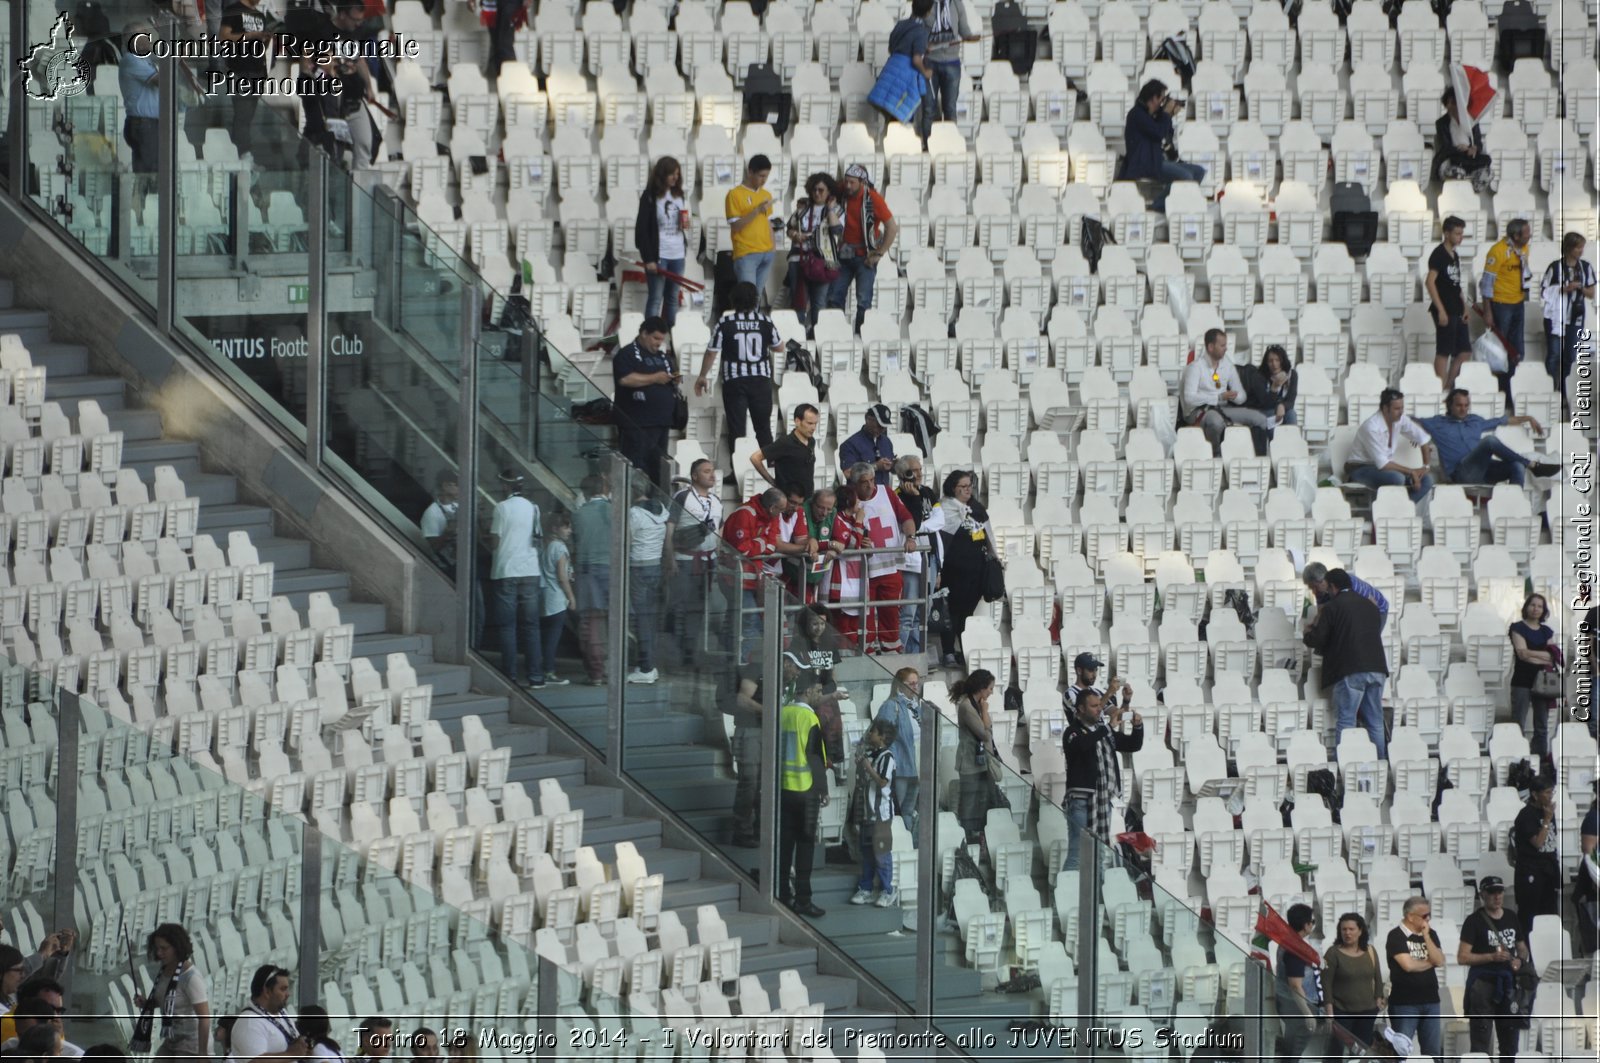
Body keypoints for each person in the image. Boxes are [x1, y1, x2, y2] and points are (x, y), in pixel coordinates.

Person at [1303, 569, 1390, 757]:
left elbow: (1318, 639)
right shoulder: (1370, 605)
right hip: (1378, 668)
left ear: (1332, 587)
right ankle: (1381, 764)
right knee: (1375, 721)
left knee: (1346, 720)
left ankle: (1344, 763)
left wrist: (1307, 633)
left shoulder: (1332, 607)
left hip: (1352, 669)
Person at [697, 282, 783, 461]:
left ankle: (738, 469)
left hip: (734, 381)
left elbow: (712, 351)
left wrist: (703, 376)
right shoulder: (764, 321)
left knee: (736, 428)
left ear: (733, 300)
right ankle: (770, 465)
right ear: (755, 300)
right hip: (760, 380)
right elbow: (779, 347)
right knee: (763, 427)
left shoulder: (725, 322)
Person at [1062, 686, 1143, 871]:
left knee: (1098, 855)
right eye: (1094, 706)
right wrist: (1107, 728)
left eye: (1100, 705)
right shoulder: (1072, 732)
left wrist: (1138, 727)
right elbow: (1083, 745)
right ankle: (1064, 896)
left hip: (1102, 800)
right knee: (1077, 854)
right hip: (1081, 802)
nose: (1099, 709)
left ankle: (1095, 897)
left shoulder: (1103, 731)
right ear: (1081, 709)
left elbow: (1133, 745)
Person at [845, 461, 917, 654]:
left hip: (891, 567)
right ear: (854, 484)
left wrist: (911, 538)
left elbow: (906, 517)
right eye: (864, 482)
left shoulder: (887, 492)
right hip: (863, 570)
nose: (870, 486)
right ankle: (866, 651)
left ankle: (891, 650)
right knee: (865, 613)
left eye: (871, 480)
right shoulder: (848, 500)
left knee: (891, 612)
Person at [1415, 389, 1557, 487]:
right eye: (1458, 405)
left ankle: (1514, 503)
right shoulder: (1438, 423)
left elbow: (1503, 421)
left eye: (1466, 405)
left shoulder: (1475, 420)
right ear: (1449, 405)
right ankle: (1532, 465)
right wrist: (1416, 434)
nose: (1463, 409)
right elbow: (1411, 421)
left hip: (1485, 470)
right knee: (1489, 441)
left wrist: (1528, 418)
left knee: (1516, 466)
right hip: (1461, 474)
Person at [777, 661, 831, 917]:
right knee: (805, 846)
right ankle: (803, 899)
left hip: (783, 789)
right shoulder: (809, 717)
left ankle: (781, 894)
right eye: (818, 692)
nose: (820, 696)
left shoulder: (783, 712)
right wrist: (823, 790)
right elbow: (815, 758)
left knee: (784, 844)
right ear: (808, 691)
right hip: (806, 791)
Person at [1458, 876, 1529, 1063]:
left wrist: (1520, 961)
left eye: (1500, 892)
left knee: (1510, 1040)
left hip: (1508, 983)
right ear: (1482, 894)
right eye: (1492, 893)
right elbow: (1462, 957)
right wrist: (1491, 957)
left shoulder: (1511, 917)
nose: (1497, 897)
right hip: (1483, 984)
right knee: (1481, 1040)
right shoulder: (1474, 921)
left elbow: (1522, 946)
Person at [488, 469, 545, 689]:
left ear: (505, 486)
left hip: (507, 570)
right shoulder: (534, 508)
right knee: (531, 626)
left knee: (507, 627)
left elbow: (495, 542)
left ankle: (510, 676)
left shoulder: (501, 508)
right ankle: (536, 677)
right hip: (530, 570)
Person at [932, 470, 992, 669]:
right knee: (950, 614)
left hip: (974, 574)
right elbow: (941, 542)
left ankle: (965, 651)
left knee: (966, 615)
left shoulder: (975, 508)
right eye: (964, 487)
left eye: (970, 486)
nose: (968, 490)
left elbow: (987, 535)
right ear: (953, 488)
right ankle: (948, 651)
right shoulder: (945, 509)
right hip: (952, 572)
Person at [722, 487, 790, 661]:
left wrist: (758, 543)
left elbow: (771, 545)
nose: (782, 514)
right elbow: (742, 549)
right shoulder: (744, 514)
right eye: (780, 510)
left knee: (739, 620)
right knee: (750, 619)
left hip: (753, 578)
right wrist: (762, 543)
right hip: (733, 578)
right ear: (772, 507)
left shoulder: (772, 516)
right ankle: (739, 662)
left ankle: (732, 659)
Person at [665, 459, 723, 659]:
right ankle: (677, 647)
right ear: (695, 476)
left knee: (699, 605)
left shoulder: (716, 500)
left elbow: (720, 532)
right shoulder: (682, 496)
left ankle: (689, 647)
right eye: (706, 471)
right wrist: (670, 558)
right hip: (684, 558)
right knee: (680, 604)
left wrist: (720, 557)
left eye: (713, 471)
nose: (712, 475)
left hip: (709, 559)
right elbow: (670, 527)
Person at [829, 164, 899, 332]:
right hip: (844, 253)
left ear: (862, 182)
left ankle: (860, 337)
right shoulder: (841, 191)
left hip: (865, 256)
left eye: (852, 182)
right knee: (834, 297)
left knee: (863, 301)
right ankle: (835, 333)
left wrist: (880, 253)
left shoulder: (873, 199)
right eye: (846, 181)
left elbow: (892, 227)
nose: (847, 186)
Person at [1179, 329, 1270, 454]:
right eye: (1222, 345)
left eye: (1226, 345)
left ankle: (1260, 458)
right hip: (1198, 412)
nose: (1226, 348)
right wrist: (1218, 397)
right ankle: (1215, 455)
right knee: (1216, 421)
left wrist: (1234, 396)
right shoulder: (1195, 368)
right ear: (1211, 347)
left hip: (1223, 408)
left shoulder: (1227, 365)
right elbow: (1189, 398)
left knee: (1260, 419)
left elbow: (1241, 396)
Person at [611, 318, 678, 488]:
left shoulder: (663, 357)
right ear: (644, 334)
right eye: (655, 338)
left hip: (661, 423)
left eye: (662, 339)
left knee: (658, 469)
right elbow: (625, 379)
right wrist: (655, 378)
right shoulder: (626, 354)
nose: (659, 343)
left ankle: (656, 508)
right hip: (637, 424)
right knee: (638, 469)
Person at [1121, 79, 1205, 212]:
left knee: (1198, 171)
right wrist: (1165, 114)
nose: (1162, 102)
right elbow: (1158, 133)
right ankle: (1158, 205)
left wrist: (1168, 115)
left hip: (1156, 160)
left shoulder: (1152, 115)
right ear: (1154, 98)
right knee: (1186, 177)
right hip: (1144, 164)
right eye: (1162, 98)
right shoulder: (1136, 114)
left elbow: (1167, 137)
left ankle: (1176, 203)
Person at [1345, 388, 1436, 504]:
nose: (1401, 412)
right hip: (1360, 469)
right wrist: (1412, 472)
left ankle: (1403, 510)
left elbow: (1423, 438)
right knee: (1397, 478)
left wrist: (1425, 467)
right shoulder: (1371, 427)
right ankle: (1394, 510)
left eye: (1402, 408)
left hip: (1384, 468)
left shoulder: (1400, 419)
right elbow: (1383, 464)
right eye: (1397, 409)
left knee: (1427, 479)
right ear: (1385, 408)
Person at [133, 924, 208, 1060]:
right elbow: (166, 1000)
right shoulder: (165, 970)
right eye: (157, 948)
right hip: (171, 1041)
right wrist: (146, 1003)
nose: (159, 953)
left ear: (177, 947)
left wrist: (203, 1054)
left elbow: (204, 1018)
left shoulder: (191, 977)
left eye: (164, 948)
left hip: (192, 1046)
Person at [1385, 897, 1444, 1061]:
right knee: (1403, 1052)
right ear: (1410, 916)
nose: (1428, 919)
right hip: (1405, 1003)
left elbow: (1439, 960)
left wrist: (1426, 935)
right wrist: (1430, 962)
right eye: (1425, 916)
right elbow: (1408, 966)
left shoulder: (1431, 934)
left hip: (1431, 1001)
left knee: (1433, 1052)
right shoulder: (1396, 935)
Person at [893, 454, 942, 656]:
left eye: (920, 469)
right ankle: (901, 652)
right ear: (904, 473)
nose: (920, 474)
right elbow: (907, 524)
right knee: (908, 611)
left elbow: (940, 521)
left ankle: (915, 653)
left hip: (929, 556)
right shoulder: (896, 495)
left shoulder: (928, 492)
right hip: (910, 560)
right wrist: (912, 500)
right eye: (915, 470)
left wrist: (919, 528)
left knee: (923, 611)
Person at [849, 718, 900, 907]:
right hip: (865, 813)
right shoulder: (871, 754)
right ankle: (866, 888)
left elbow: (882, 782)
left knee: (881, 853)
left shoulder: (888, 757)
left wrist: (868, 768)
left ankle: (888, 890)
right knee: (867, 852)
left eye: (873, 731)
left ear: (883, 736)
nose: (870, 733)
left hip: (881, 815)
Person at [1541, 231, 1596, 401]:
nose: (1581, 251)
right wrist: (1563, 289)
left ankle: (1565, 391)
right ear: (1569, 248)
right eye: (1578, 247)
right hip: (1555, 317)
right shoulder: (1555, 267)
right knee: (1553, 355)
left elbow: (1591, 293)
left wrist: (1579, 288)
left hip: (1575, 316)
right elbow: (1544, 291)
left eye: (1582, 247)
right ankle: (1550, 388)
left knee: (1570, 356)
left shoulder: (1586, 267)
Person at [624, 478, 669, 685]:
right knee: (649, 618)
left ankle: (645, 667)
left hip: (638, 567)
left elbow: (626, 541)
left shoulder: (634, 513)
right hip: (656, 565)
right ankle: (650, 664)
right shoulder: (661, 508)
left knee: (641, 618)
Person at [786, 173, 844, 333]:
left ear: (829, 191)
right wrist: (795, 235)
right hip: (799, 259)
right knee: (798, 301)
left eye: (821, 190)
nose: (817, 193)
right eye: (814, 190)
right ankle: (797, 337)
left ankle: (817, 337)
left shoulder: (837, 210)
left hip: (823, 261)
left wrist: (831, 208)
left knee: (819, 302)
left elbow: (836, 230)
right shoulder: (803, 209)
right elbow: (789, 228)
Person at [636, 157, 689, 327]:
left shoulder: (679, 195)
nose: (675, 178)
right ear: (662, 174)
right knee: (656, 298)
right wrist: (648, 259)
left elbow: (682, 219)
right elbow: (641, 230)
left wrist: (685, 224)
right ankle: (649, 336)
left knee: (673, 298)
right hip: (660, 255)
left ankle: (672, 337)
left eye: (677, 174)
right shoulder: (650, 196)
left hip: (678, 253)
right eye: (671, 174)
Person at [571, 474, 612, 686]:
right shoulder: (616, 512)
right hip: (612, 570)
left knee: (591, 623)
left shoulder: (578, 515)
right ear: (605, 488)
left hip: (587, 571)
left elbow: (574, 543)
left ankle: (596, 671)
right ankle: (611, 668)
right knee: (613, 621)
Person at [1322, 912, 1385, 1049]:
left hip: (1367, 1011)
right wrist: (1329, 1010)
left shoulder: (1370, 951)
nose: (1347, 933)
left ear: (1360, 931)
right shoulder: (1333, 953)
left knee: (1362, 1050)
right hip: (1342, 1011)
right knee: (1336, 1049)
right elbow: (1326, 983)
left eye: (1351, 929)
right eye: (1344, 929)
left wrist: (1378, 998)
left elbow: (1377, 976)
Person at [218, 0, 272, 159]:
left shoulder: (260, 15)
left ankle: (243, 153)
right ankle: (242, 153)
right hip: (239, 71)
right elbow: (224, 37)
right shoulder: (233, 9)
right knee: (242, 115)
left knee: (248, 117)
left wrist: (266, 39)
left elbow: (262, 46)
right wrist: (252, 35)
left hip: (257, 71)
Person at [953, 670, 1001, 847]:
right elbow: (984, 734)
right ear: (981, 688)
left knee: (986, 800)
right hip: (970, 763)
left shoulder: (974, 704)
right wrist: (985, 712)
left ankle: (981, 837)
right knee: (970, 803)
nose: (991, 693)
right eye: (990, 688)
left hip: (981, 763)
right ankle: (968, 839)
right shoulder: (967, 706)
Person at [1479, 218, 1533, 368]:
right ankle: (1501, 381)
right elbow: (1486, 283)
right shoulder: (1497, 251)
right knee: (1501, 345)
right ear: (1516, 236)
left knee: (1517, 346)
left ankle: (1515, 376)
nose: (1530, 235)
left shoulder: (1524, 249)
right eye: (1527, 233)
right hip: (1501, 304)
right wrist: (1487, 312)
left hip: (1518, 302)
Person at [1426, 215, 1474, 386]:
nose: (1460, 237)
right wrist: (1440, 310)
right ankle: (1440, 389)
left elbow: (1456, 284)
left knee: (1464, 351)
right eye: (1457, 233)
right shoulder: (1439, 254)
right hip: (1445, 308)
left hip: (1457, 308)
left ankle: (1448, 385)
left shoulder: (1454, 255)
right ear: (1447, 233)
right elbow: (1430, 282)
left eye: (1461, 234)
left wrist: (1465, 307)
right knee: (1444, 351)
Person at [1509, 592, 1558, 756]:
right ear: (1526, 606)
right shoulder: (1517, 627)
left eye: (1540, 606)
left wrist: (1533, 654)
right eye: (1533, 605)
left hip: (1543, 682)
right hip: (1522, 680)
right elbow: (1521, 653)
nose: (1536, 609)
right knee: (1518, 722)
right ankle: (1518, 755)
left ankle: (1541, 758)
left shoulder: (1547, 631)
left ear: (1543, 610)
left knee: (1541, 724)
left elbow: (1552, 656)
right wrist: (1543, 655)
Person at [1512, 773, 1561, 934]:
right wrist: (1546, 820)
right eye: (1547, 792)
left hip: (1549, 870)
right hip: (1531, 872)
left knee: (1550, 914)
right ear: (1535, 794)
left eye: (1551, 792)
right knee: (1530, 917)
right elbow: (1538, 843)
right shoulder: (1526, 815)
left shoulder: (1547, 812)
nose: (1550, 796)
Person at [875, 668, 922, 836]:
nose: (916, 687)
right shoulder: (891, 705)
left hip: (916, 764)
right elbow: (881, 735)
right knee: (897, 807)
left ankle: (906, 840)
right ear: (900, 686)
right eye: (911, 684)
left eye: (917, 683)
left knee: (908, 809)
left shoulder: (916, 707)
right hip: (899, 764)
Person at [1274, 904, 1324, 1060]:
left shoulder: (1287, 943)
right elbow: (1295, 985)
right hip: (1298, 1008)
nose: (1313, 925)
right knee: (1295, 1049)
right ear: (1306, 925)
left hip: (1290, 1004)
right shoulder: (1295, 950)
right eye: (1312, 921)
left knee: (1291, 1046)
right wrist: (1308, 1014)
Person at [118, 21, 159, 200]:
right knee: (147, 175)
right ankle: (142, 212)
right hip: (143, 125)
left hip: (150, 124)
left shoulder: (146, 61)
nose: (147, 40)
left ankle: (147, 211)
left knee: (153, 173)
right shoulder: (130, 60)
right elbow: (160, 80)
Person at [725, 156, 776, 296]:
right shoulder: (734, 194)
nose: (764, 180)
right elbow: (735, 226)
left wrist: (773, 248)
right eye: (761, 176)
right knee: (747, 298)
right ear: (750, 172)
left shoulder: (766, 194)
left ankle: (754, 318)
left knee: (757, 297)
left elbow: (768, 223)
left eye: (766, 176)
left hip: (767, 253)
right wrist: (756, 211)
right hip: (746, 253)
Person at [924, 0, 978, 131]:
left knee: (950, 108)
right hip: (930, 62)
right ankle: (927, 144)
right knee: (929, 108)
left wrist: (970, 37)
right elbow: (917, 29)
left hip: (952, 63)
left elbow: (964, 31)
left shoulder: (957, 3)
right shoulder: (925, 3)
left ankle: (950, 143)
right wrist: (923, 45)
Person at [230, 966, 303, 1063]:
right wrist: (292, 1054)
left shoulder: (282, 1012)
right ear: (267, 991)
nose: (288, 994)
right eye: (283, 989)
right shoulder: (249, 1022)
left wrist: (302, 1049)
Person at [887, 0, 936, 139]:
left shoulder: (900, 24)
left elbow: (891, 48)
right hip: (907, 78)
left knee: (894, 114)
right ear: (927, 13)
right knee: (905, 115)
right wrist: (925, 72)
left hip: (892, 72)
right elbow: (916, 59)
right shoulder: (921, 32)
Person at [536, 510, 573, 687]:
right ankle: (549, 671)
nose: (569, 530)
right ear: (555, 528)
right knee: (553, 637)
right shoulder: (559, 548)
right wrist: (571, 597)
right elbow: (562, 576)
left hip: (546, 595)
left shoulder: (547, 546)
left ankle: (545, 669)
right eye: (565, 527)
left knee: (547, 635)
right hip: (557, 597)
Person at [752, 404, 820, 499]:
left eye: (815, 423)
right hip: (788, 501)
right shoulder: (785, 442)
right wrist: (771, 481)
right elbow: (755, 458)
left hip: (807, 498)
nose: (813, 428)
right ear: (797, 421)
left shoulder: (811, 441)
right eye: (809, 423)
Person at [1433, 88, 1494, 193]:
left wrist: (1474, 148)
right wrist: (1460, 149)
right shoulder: (1441, 123)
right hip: (1452, 160)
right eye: (1448, 103)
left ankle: (1471, 195)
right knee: (1457, 172)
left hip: (1469, 159)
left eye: (1453, 103)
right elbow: (1445, 146)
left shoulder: (1472, 121)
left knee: (1488, 173)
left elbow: (1478, 142)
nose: (1449, 107)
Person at [1301, 562, 1389, 629]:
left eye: (1314, 587)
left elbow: (1372, 605)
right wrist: (1314, 626)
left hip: (1378, 609)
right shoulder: (1320, 591)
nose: (1313, 591)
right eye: (1311, 588)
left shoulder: (1350, 583)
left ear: (1323, 581)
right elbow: (1321, 612)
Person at [839, 404, 896, 487]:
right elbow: (848, 473)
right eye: (879, 425)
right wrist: (876, 466)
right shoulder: (850, 444)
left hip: (883, 492)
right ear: (867, 419)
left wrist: (895, 465)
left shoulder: (886, 441)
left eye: (884, 426)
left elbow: (891, 469)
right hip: (861, 496)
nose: (882, 429)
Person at [419, 473, 460, 570]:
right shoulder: (431, 512)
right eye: (457, 485)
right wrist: (447, 534)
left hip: (460, 563)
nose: (460, 489)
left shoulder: (458, 507)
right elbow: (432, 547)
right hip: (444, 567)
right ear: (445, 486)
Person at [1255, 344, 1298, 427]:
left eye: (1277, 360)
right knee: (1271, 414)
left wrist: (1282, 405)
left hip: (1284, 409)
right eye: (1270, 361)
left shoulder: (1292, 374)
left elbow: (1291, 400)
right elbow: (1265, 404)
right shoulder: (1259, 376)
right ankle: (1275, 440)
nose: (1274, 364)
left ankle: (1292, 439)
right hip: (1265, 410)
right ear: (1266, 363)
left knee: (1291, 414)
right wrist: (1274, 388)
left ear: (1283, 361)